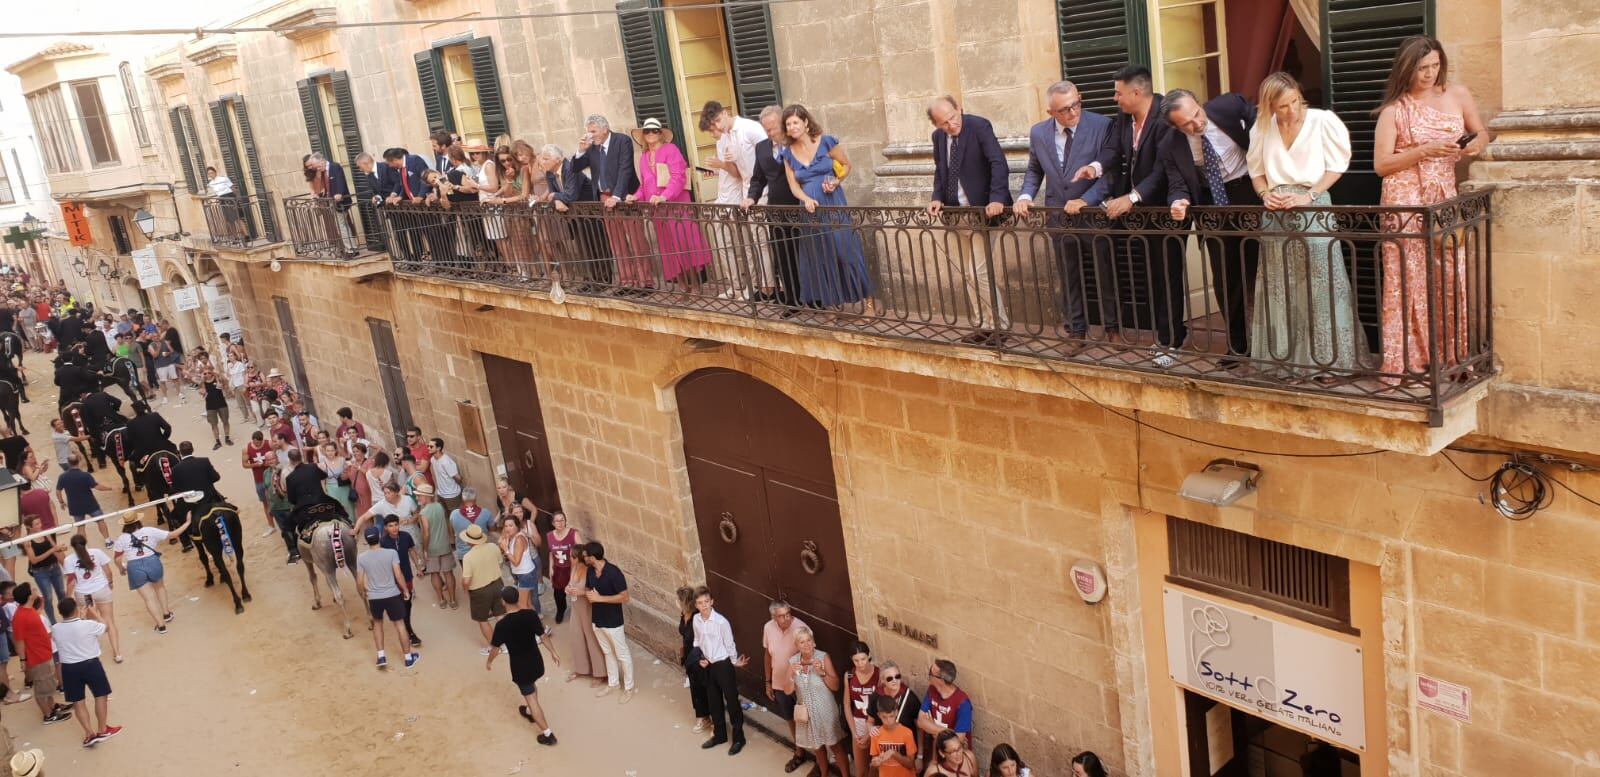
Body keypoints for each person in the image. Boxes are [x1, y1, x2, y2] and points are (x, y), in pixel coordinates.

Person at [1375, 36, 1488, 382]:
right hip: (1404, 199)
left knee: (1450, 276)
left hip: (1442, 196)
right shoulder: (1394, 110)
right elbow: (1381, 164)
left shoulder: (1458, 95)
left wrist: (1472, 147)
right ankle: (1407, 360)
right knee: (1405, 278)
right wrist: (1423, 150)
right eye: (1422, 68)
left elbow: (1482, 133)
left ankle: (1451, 357)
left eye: (1435, 66)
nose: (1429, 74)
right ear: (1407, 68)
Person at [1246, 71, 1362, 380]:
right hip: (1276, 216)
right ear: (1270, 106)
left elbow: (1336, 166)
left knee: (1322, 286)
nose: (1292, 110)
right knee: (1280, 287)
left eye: (1295, 102)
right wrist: (1265, 195)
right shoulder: (1262, 128)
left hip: (1314, 208)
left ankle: (1328, 363)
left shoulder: (1322, 121)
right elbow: (1256, 172)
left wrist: (1309, 196)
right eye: (1283, 106)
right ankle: (1283, 361)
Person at [1075, 64, 1182, 363]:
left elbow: (1162, 170)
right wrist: (1094, 168)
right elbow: (1112, 151)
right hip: (1137, 213)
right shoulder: (1124, 117)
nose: (1115, 98)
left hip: (1164, 209)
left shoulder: (1165, 116)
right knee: (1152, 276)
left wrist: (1132, 198)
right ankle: (1164, 336)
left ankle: (1172, 342)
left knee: (1168, 276)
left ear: (1136, 92)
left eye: (1118, 93)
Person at [1160, 87, 1261, 363]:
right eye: (1187, 124)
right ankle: (1239, 347)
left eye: (1197, 113)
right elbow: (1177, 183)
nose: (1197, 123)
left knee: (1264, 270)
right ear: (1175, 127)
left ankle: (1275, 343)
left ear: (1198, 102)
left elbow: (1265, 129)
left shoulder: (1230, 105)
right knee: (1226, 279)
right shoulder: (1169, 145)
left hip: (1250, 193)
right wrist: (1178, 201)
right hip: (1212, 206)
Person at [1017, 80, 1116, 343]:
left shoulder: (1102, 125)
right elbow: (1035, 169)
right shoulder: (1038, 133)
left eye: (1076, 104)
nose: (1073, 112)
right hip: (1059, 215)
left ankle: (1113, 328)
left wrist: (1086, 199)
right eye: (1065, 109)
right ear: (1051, 112)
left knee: (1105, 274)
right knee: (1069, 275)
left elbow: (1111, 173)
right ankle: (1076, 330)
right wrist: (1025, 196)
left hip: (1093, 214)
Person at [926, 96, 1012, 344]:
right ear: (936, 124)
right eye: (944, 123)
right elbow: (941, 171)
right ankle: (983, 325)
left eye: (953, 117)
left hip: (984, 213)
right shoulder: (938, 138)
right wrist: (936, 197)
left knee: (978, 272)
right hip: (956, 215)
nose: (951, 125)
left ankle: (1000, 327)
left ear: (959, 109)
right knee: (968, 274)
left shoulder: (979, 126)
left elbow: (998, 163)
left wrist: (996, 199)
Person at [781, 104, 877, 313]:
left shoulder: (826, 142)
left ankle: (869, 302)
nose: (792, 127)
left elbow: (847, 165)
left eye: (795, 122)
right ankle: (832, 307)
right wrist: (806, 199)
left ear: (806, 122)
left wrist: (836, 181)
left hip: (833, 204)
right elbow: (794, 187)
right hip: (810, 211)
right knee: (821, 256)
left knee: (847, 251)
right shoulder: (787, 154)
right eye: (788, 124)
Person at [627, 118, 713, 293]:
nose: (651, 134)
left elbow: (678, 177)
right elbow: (644, 186)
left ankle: (695, 285)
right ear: (643, 135)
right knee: (668, 248)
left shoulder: (671, 149)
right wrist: (635, 196)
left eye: (655, 130)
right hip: (658, 211)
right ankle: (682, 286)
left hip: (677, 207)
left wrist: (664, 196)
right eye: (647, 131)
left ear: (661, 134)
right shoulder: (643, 157)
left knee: (684, 244)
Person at [700, 100, 771, 299]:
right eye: (712, 126)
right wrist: (720, 167)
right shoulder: (726, 137)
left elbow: (764, 159)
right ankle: (742, 286)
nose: (716, 128)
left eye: (717, 122)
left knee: (755, 244)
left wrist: (724, 165)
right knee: (729, 245)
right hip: (739, 196)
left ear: (725, 113)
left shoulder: (749, 128)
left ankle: (762, 287)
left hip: (752, 194)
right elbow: (737, 170)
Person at [571, 114, 644, 290]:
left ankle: (644, 283)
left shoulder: (622, 141)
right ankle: (627, 282)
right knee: (617, 244)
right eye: (588, 132)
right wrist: (581, 150)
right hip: (604, 198)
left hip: (625, 198)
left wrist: (617, 196)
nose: (590, 135)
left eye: (593, 131)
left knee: (637, 242)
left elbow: (625, 170)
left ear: (605, 129)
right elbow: (574, 168)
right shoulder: (591, 147)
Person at [743, 105, 804, 310]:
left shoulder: (796, 143)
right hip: (776, 209)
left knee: (803, 253)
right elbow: (758, 178)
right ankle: (792, 300)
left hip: (799, 205)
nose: (769, 133)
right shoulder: (761, 147)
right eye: (766, 129)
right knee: (783, 254)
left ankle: (813, 298)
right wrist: (751, 197)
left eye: (772, 128)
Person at [489, 585, 560, 746]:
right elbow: (543, 636)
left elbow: (495, 649)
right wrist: (553, 652)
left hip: (520, 667)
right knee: (532, 686)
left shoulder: (502, 625)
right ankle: (529, 711)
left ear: (503, 602)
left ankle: (548, 734)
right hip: (536, 662)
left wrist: (489, 662)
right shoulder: (530, 615)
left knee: (531, 698)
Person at [52, 597, 121, 747]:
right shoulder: (88, 625)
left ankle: (89, 733)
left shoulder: (56, 628)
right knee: (100, 695)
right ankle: (102, 730)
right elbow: (105, 627)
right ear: (76, 609)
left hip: (69, 668)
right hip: (91, 665)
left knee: (78, 701)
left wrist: (81, 618)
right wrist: (93, 613)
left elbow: (72, 631)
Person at [111, 511, 189, 635]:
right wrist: (187, 522)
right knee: (160, 588)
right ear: (138, 521)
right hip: (152, 561)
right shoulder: (149, 530)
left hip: (134, 566)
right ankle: (166, 614)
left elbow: (117, 559)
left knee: (148, 599)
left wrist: (121, 568)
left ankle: (161, 626)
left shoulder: (121, 538)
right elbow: (173, 534)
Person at [692, 587, 749, 755]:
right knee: (714, 701)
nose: (704, 605)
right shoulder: (696, 620)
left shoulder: (721, 622)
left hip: (723, 665)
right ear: (696, 605)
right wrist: (700, 658)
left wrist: (734, 661)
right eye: (700, 603)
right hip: (708, 665)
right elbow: (697, 641)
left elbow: (729, 644)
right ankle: (720, 735)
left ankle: (739, 738)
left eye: (706, 602)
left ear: (712, 602)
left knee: (732, 701)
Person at [10, 584, 74, 725]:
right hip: (37, 657)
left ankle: (52, 706)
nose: (35, 590)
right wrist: (23, 660)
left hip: (44, 653)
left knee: (48, 684)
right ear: (29, 596)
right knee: (41, 688)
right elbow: (19, 641)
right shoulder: (20, 616)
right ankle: (48, 715)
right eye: (32, 590)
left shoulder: (28, 610)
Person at [356, 526, 418, 669]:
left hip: (374, 597)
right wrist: (405, 590)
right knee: (400, 624)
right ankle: (408, 658)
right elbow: (398, 575)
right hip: (392, 594)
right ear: (379, 537)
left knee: (377, 624)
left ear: (366, 541)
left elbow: (359, 581)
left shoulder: (361, 558)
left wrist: (363, 592)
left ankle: (381, 656)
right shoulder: (391, 553)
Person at [789, 625, 847, 775]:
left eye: (809, 640)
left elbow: (836, 686)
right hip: (807, 714)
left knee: (835, 745)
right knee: (818, 748)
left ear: (813, 641)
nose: (806, 644)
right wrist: (792, 676)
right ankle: (824, 773)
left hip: (825, 711)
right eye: (802, 642)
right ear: (797, 645)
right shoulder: (793, 662)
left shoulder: (823, 657)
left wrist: (822, 672)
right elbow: (787, 690)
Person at [583, 540, 634, 702]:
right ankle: (613, 683)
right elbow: (588, 588)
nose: (584, 558)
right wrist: (588, 594)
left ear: (592, 557)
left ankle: (629, 688)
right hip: (597, 620)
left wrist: (600, 598)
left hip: (613, 621)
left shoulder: (613, 572)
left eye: (585, 556)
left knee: (622, 654)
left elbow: (625, 597)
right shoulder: (590, 571)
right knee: (607, 652)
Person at [765, 599, 812, 772]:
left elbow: (811, 655)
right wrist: (768, 681)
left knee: (809, 721)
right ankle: (799, 752)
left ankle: (821, 759)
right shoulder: (768, 628)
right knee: (790, 719)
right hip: (779, 684)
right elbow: (767, 655)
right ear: (774, 617)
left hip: (800, 686)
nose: (786, 619)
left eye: (788, 614)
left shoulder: (801, 628)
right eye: (781, 616)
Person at [61, 534, 121, 663]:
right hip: (101, 590)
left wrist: (67, 597)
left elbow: (71, 582)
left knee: (92, 622)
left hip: (86, 595)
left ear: (73, 546)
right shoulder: (97, 552)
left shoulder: (69, 560)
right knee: (110, 620)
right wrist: (110, 582)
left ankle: (95, 649)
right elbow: (108, 572)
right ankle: (117, 653)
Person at [559, 544, 607, 687]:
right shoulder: (574, 568)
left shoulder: (589, 571)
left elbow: (594, 591)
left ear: (578, 558)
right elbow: (570, 583)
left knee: (592, 640)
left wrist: (580, 592)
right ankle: (582, 669)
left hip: (587, 608)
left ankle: (600, 673)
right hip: (576, 608)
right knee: (576, 637)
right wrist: (568, 588)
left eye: (572, 557)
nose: (569, 558)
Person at [460, 523, 506, 653]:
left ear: (468, 541)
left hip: (479, 591)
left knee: (482, 619)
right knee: (500, 615)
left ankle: (495, 647)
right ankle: (508, 643)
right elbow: (500, 563)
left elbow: (466, 580)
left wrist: (465, 590)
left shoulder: (468, 557)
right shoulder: (493, 547)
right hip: (497, 584)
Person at [918, 659, 974, 765]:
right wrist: (948, 732)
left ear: (941, 680)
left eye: (931, 672)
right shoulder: (931, 690)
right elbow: (921, 721)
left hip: (955, 761)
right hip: (935, 756)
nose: (928, 674)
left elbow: (958, 740)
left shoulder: (962, 703)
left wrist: (932, 729)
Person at [379, 515, 422, 648]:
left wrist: (418, 567)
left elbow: (412, 551)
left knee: (407, 605)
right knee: (400, 606)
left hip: (407, 576)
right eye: (390, 526)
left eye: (396, 524)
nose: (394, 528)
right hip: (392, 580)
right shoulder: (383, 542)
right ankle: (410, 633)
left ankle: (406, 628)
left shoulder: (406, 536)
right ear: (386, 528)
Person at [54, 453, 113, 547]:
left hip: (75, 506)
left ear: (68, 463)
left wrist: (61, 502)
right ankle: (108, 541)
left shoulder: (62, 477)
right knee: (100, 521)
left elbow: (58, 491)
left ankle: (82, 548)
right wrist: (110, 488)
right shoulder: (85, 475)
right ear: (79, 461)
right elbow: (97, 487)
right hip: (91, 504)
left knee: (80, 527)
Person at [676, 586, 711, 734]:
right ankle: (702, 716)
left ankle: (705, 718)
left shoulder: (697, 617)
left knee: (701, 687)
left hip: (698, 656)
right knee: (695, 687)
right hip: (689, 656)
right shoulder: (684, 614)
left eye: (678, 600)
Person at [416, 478, 456, 609]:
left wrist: (425, 549)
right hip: (445, 545)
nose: (417, 498)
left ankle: (441, 600)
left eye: (419, 496)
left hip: (432, 548)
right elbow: (447, 523)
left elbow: (426, 533)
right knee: (448, 573)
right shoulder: (440, 506)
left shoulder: (423, 513)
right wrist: (451, 539)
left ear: (426, 496)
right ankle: (453, 600)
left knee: (434, 573)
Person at [22, 515, 65, 625]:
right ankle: (53, 623)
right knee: (48, 598)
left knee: (61, 593)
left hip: (55, 567)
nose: (40, 525)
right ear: (29, 527)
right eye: (36, 524)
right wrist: (52, 551)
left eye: (40, 523)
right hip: (41, 572)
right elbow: (34, 560)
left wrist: (61, 550)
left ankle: (66, 616)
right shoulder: (27, 541)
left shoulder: (46, 534)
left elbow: (55, 548)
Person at [845, 640, 880, 777]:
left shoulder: (879, 674)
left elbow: (882, 706)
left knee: (875, 769)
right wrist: (854, 734)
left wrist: (868, 735)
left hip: (874, 723)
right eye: (856, 660)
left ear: (869, 655)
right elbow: (847, 705)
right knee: (860, 770)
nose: (860, 664)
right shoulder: (849, 675)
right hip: (858, 722)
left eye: (863, 659)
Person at [500, 509, 539, 615]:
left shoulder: (519, 539)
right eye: (506, 526)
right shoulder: (513, 537)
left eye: (511, 525)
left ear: (517, 526)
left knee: (522, 606)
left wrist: (506, 549)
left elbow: (516, 562)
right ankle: (538, 624)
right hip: (524, 573)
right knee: (528, 604)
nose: (508, 528)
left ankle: (535, 624)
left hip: (525, 575)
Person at [545, 511, 580, 624]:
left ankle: (578, 614)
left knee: (575, 593)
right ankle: (561, 610)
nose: (560, 523)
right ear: (553, 523)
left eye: (562, 520)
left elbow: (581, 552)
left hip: (572, 568)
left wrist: (576, 571)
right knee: (558, 594)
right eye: (557, 521)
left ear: (565, 521)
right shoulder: (549, 535)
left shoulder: (573, 534)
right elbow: (551, 552)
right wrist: (550, 568)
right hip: (558, 569)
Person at [870, 694, 918, 777]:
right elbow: (874, 759)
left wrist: (894, 754)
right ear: (879, 715)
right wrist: (875, 762)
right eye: (884, 717)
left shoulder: (907, 733)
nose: (888, 720)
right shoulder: (876, 733)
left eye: (891, 716)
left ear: (896, 712)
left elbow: (911, 764)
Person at [448, 487, 494, 565]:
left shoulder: (454, 514)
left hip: (464, 554)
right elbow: (492, 530)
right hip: (483, 552)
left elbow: (452, 533)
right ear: (475, 499)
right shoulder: (485, 513)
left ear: (462, 499)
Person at [425, 437, 463, 513]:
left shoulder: (446, 462)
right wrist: (437, 489)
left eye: (431, 446)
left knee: (454, 516)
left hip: (451, 495)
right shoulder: (433, 459)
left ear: (438, 448)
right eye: (428, 446)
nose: (428, 448)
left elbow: (458, 478)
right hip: (441, 494)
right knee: (444, 514)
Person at [201, 367, 232, 449]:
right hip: (210, 406)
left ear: (212, 373)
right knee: (213, 424)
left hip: (221, 403)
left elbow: (226, 382)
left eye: (209, 372)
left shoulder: (218, 379)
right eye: (205, 373)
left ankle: (227, 438)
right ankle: (217, 441)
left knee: (225, 421)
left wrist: (218, 374)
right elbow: (201, 392)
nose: (207, 374)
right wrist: (202, 392)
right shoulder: (203, 383)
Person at [148, 334, 183, 405]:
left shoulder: (165, 342)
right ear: (152, 338)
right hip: (160, 366)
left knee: (175, 378)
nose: (156, 338)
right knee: (162, 381)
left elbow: (172, 351)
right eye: (154, 337)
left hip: (169, 363)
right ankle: (165, 397)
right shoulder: (151, 346)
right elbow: (155, 356)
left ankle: (179, 393)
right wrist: (158, 348)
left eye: (157, 336)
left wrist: (168, 353)